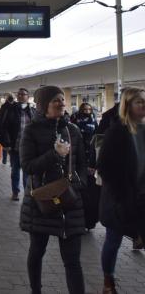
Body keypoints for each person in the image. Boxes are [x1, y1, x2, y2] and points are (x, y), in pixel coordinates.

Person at [19, 86, 88, 294]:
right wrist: (55, 154)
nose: (61, 103)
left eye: (62, 99)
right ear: (43, 105)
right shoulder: (31, 131)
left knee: (73, 261)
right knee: (37, 251)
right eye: (55, 100)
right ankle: (36, 290)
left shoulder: (72, 131)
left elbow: (82, 164)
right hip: (42, 201)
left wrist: (80, 183)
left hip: (69, 202)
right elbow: (28, 166)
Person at [97, 87, 145, 294]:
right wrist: (119, 195)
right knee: (113, 240)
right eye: (139, 102)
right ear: (128, 105)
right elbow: (104, 166)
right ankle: (109, 279)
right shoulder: (117, 132)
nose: (143, 105)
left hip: (142, 197)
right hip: (120, 198)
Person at [0, 88, 36, 201]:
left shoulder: (32, 111)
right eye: (19, 94)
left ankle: (27, 194)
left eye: (23, 94)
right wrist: (7, 143)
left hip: (28, 148)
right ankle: (15, 192)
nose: (20, 96)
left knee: (27, 173)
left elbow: (36, 128)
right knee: (15, 171)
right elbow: (4, 127)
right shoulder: (11, 109)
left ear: (28, 97)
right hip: (15, 146)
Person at [71, 102, 100, 229]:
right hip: (77, 156)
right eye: (85, 109)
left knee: (90, 190)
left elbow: (97, 138)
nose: (87, 111)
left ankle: (88, 220)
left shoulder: (94, 121)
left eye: (89, 109)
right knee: (79, 187)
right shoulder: (74, 120)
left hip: (90, 157)